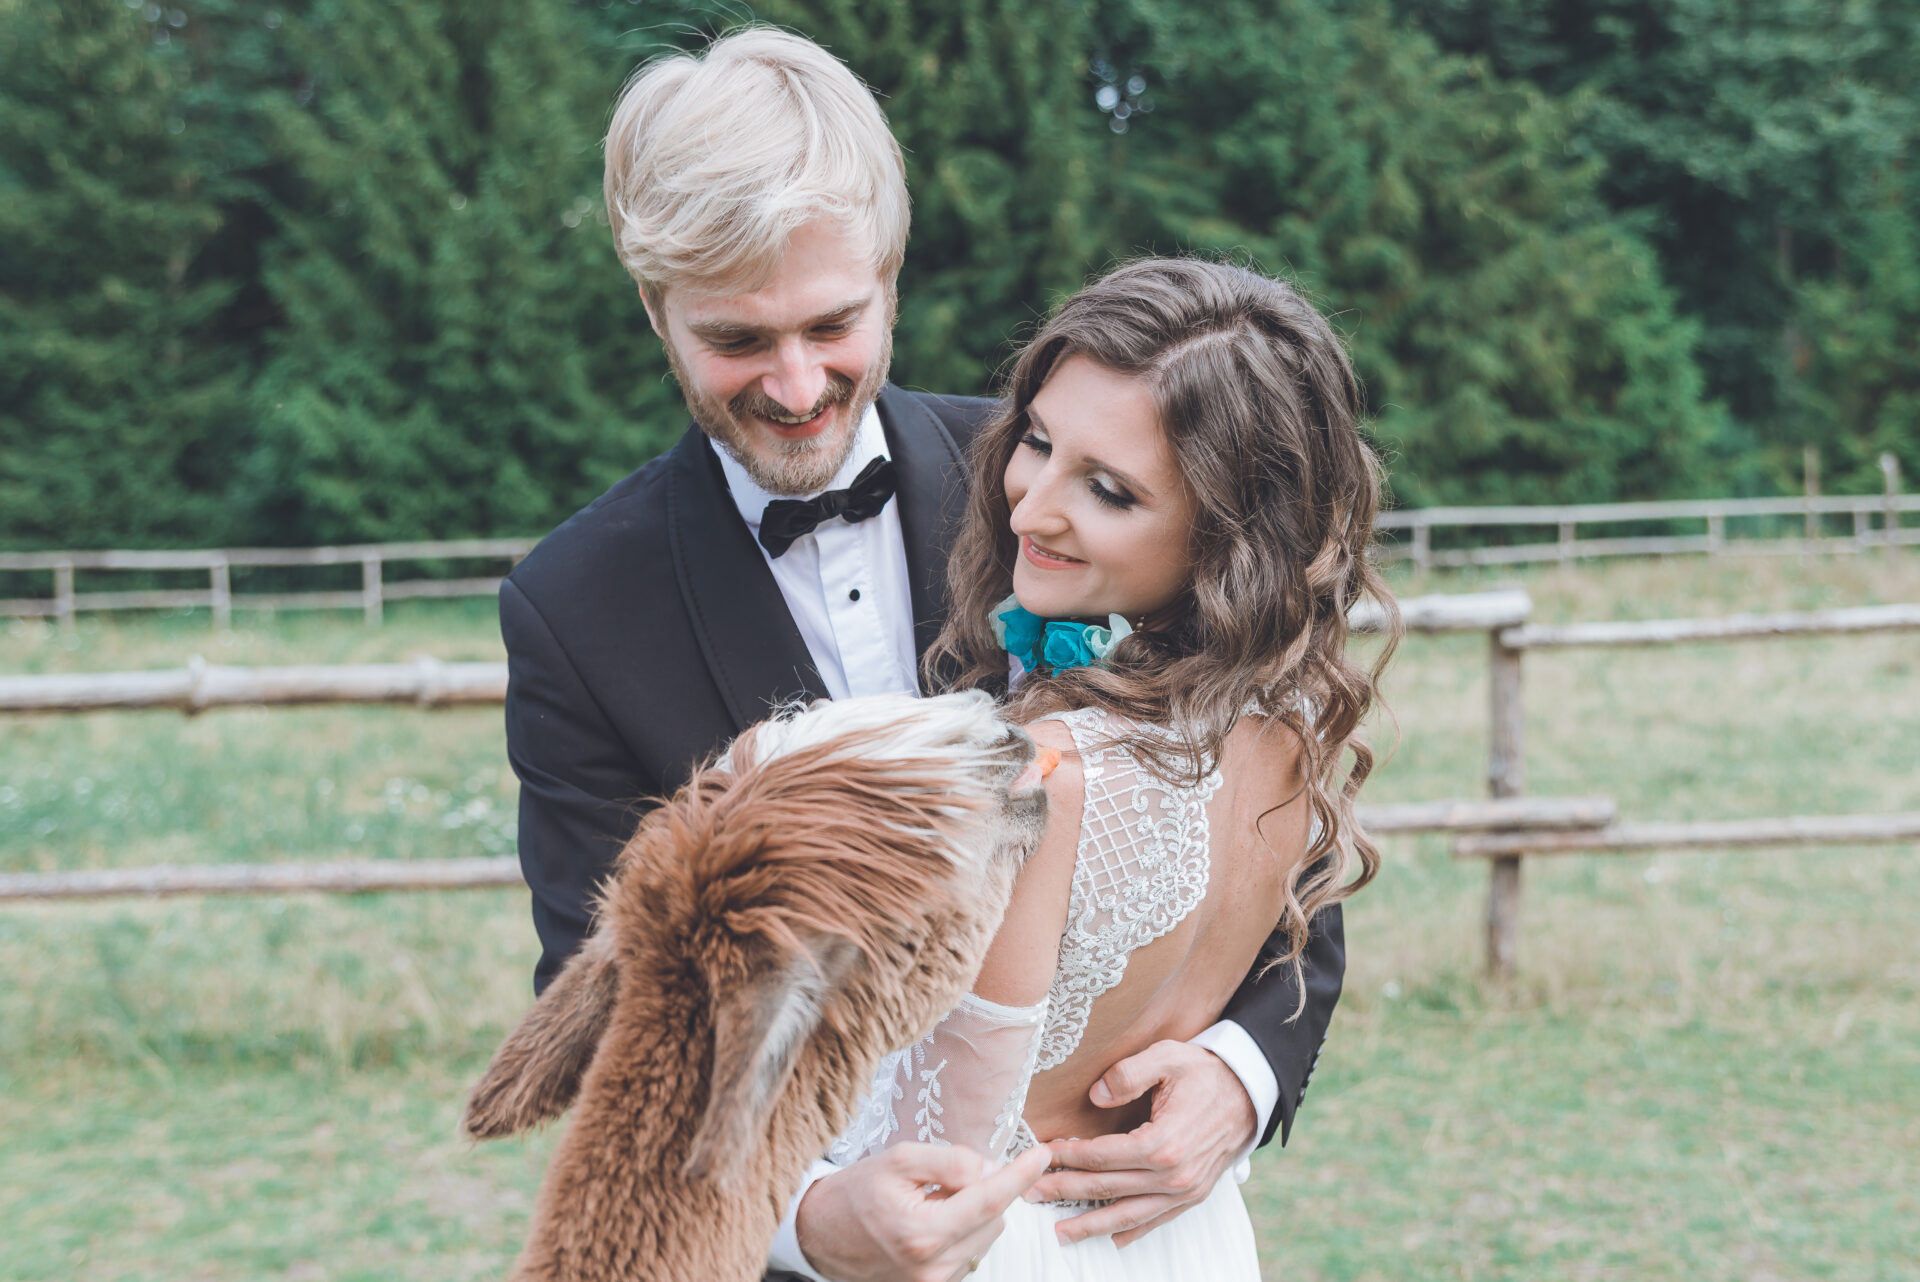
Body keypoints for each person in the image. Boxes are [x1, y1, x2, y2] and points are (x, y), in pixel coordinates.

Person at [499, 27, 1347, 1281]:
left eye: (832, 323)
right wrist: (807, 1220)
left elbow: (1267, 843)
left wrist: (1240, 1072)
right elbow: (613, 1022)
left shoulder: (1065, 481)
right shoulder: (574, 608)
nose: (797, 385)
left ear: (890, 276)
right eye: (737, 339)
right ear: (655, 310)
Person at [822, 255, 1399, 1279]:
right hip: (1182, 1240)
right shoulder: (1289, 729)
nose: (1029, 508)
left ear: (1226, 535)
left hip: (1005, 1247)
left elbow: (936, 1156)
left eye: (1109, 491)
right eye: (1038, 442)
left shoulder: (1038, 781)